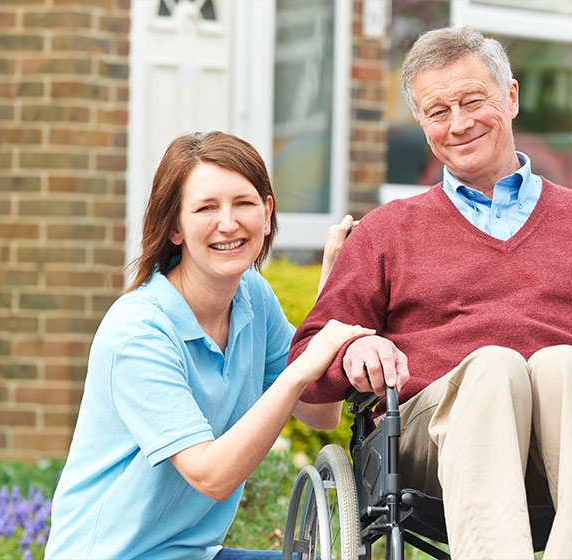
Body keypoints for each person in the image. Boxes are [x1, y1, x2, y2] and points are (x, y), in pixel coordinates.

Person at [289, 27, 572, 559]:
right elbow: (311, 357)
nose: (458, 124)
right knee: (494, 367)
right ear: (421, 123)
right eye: (437, 112)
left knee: (564, 365)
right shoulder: (385, 232)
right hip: (433, 445)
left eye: (473, 101)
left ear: (511, 97)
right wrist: (350, 348)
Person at [45, 131, 371, 560]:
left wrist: (333, 288)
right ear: (175, 227)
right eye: (206, 208)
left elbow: (320, 412)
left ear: (267, 211)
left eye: (243, 203)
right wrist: (303, 365)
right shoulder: (139, 332)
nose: (229, 223)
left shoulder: (253, 298)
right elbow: (211, 476)